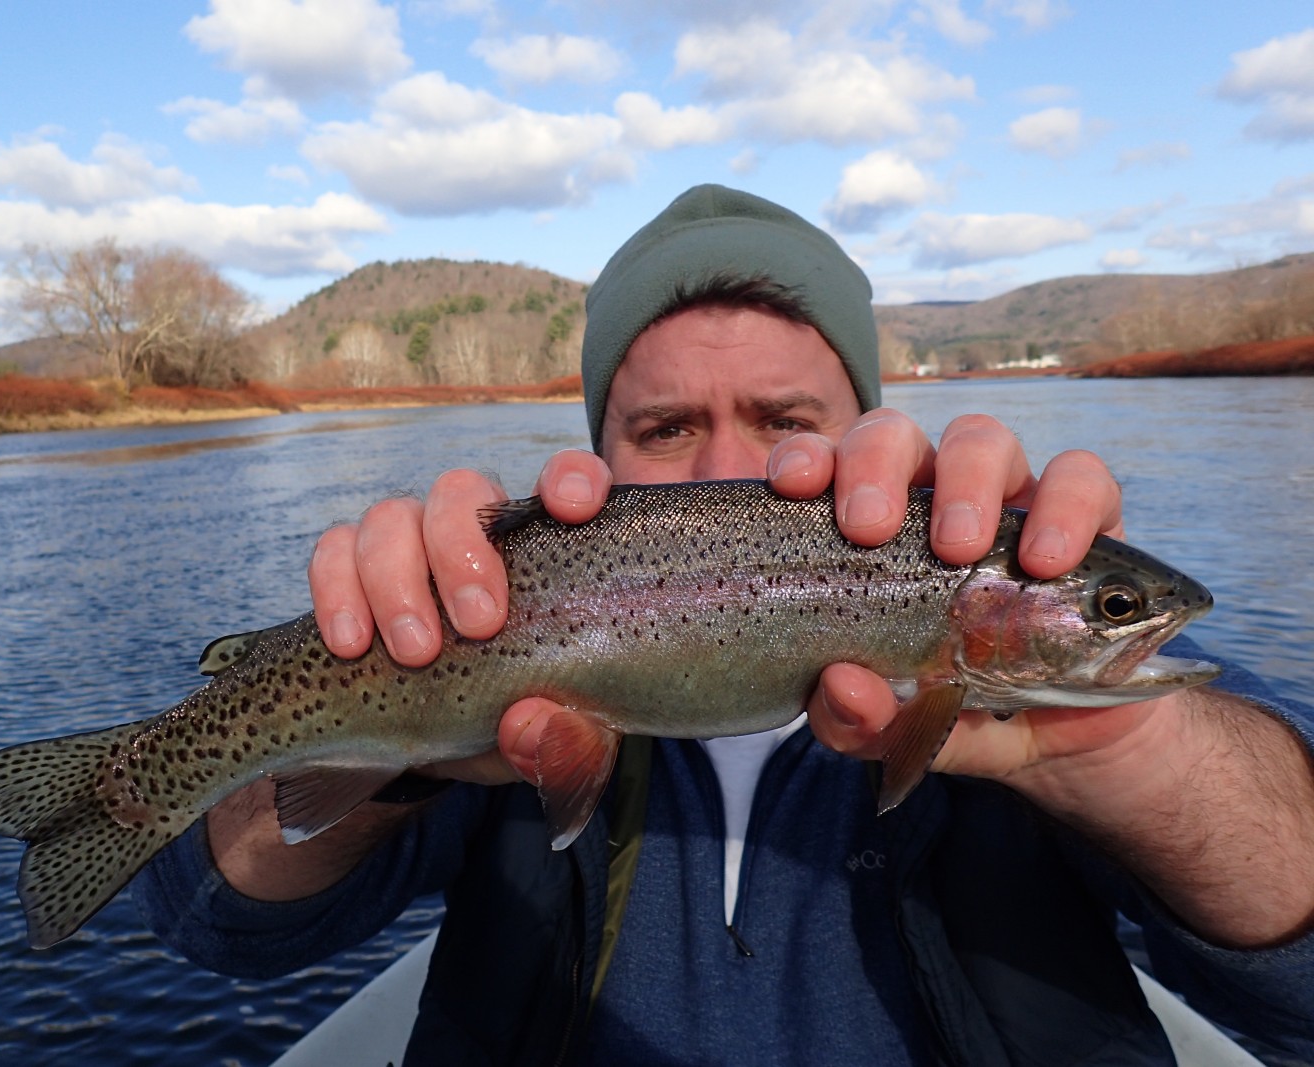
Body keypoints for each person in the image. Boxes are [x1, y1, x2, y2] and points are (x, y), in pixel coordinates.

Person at [135, 185, 1314, 1065]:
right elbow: (212, 923)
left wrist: (1137, 758)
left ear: (875, 437)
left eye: (786, 418)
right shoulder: (481, 635)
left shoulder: (1038, 684)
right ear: (592, 457)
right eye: (662, 430)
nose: (732, 468)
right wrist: (387, 735)